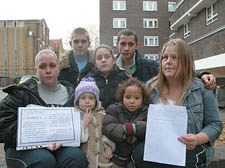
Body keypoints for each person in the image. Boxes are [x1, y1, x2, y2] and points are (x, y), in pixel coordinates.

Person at [132, 38, 223, 168]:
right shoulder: (150, 87)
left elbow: (215, 124)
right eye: (165, 57)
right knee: (138, 155)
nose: (168, 62)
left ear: (185, 61)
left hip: (190, 147)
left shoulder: (201, 89)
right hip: (159, 145)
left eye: (174, 57)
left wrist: (197, 139)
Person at [0, 49, 88, 168]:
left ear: (58, 68)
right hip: (25, 147)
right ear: (36, 70)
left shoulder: (73, 93)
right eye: (42, 66)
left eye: (52, 66)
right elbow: (4, 122)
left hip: (62, 146)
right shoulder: (21, 93)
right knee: (44, 160)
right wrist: (36, 139)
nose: (48, 71)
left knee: (76, 157)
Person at [116, 29, 217, 89]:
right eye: (123, 44)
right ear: (117, 45)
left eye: (130, 44)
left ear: (137, 45)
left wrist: (202, 75)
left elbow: (176, 70)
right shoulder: (110, 68)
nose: (126, 48)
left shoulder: (149, 65)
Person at [102, 78, 151, 168]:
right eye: (128, 97)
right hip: (114, 157)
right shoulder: (113, 109)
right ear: (122, 97)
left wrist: (132, 128)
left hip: (135, 159)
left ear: (143, 99)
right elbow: (108, 126)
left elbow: (150, 127)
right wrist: (125, 134)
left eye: (136, 98)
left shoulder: (147, 112)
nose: (131, 101)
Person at [74, 77, 115, 168]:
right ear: (77, 101)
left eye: (91, 98)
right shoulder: (75, 115)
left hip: (101, 157)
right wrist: (84, 123)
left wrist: (109, 146)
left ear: (96, 101)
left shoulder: (102, 114)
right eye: (83, 98)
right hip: (84, 157)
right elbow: (74, 138)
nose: (87, 101)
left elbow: (106, 132)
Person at [86, 44, 129, 109]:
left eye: (107, 57)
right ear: (95, 63)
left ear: (114, 60)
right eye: (99, 58)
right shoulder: (87, 81)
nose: (103, 60)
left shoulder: (125, 79)